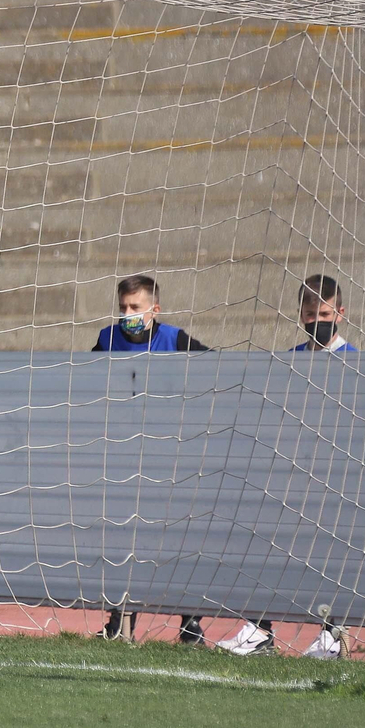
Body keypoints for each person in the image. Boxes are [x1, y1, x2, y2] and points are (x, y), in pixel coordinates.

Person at [217, 274, 357, 658]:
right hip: (292, 473)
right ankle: (260, 629)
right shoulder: (290, 361)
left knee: (331, 552)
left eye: (325, 313)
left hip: (336, 477)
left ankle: (332, 634)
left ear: (341, 314)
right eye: (310, 314)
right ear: (301, 316)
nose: (318, 321)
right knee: (267, 543)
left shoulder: (357, 363)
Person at [91, 274, 208, 645]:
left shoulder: (175, 339)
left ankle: (190, 625)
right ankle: (119, 625)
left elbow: (214, 370)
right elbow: (89, 382)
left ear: (153, 310)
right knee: (125, 540)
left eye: (135, 308)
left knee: (176, 539)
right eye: (123, 307)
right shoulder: (107, 339)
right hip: (124, 453)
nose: (127, 314)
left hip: (169, 454)